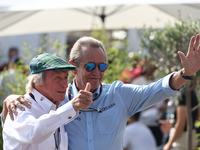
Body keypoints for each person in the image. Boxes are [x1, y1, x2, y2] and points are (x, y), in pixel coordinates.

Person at [2, 34, 200, 150]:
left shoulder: (119, 95)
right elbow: (31, 126)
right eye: (90, 66)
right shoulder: (59, 101)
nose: (97, 73)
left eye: (102, 66)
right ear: (75, 66)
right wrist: (10, 100)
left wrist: (186, 73)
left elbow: (157, 90)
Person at [3, 53, 93, 150]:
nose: (65, 85)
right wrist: (72, 106)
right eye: (57, 78)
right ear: (37, 80)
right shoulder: (19, 106)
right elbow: (35, 133)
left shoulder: (56, 106)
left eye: (65, 77)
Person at [161, 81, 199, 150]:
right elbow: (196, 117)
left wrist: (169, 145)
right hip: (189, 136)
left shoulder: (184, 93)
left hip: (182, 140)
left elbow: (181, 124)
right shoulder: (192, 92)